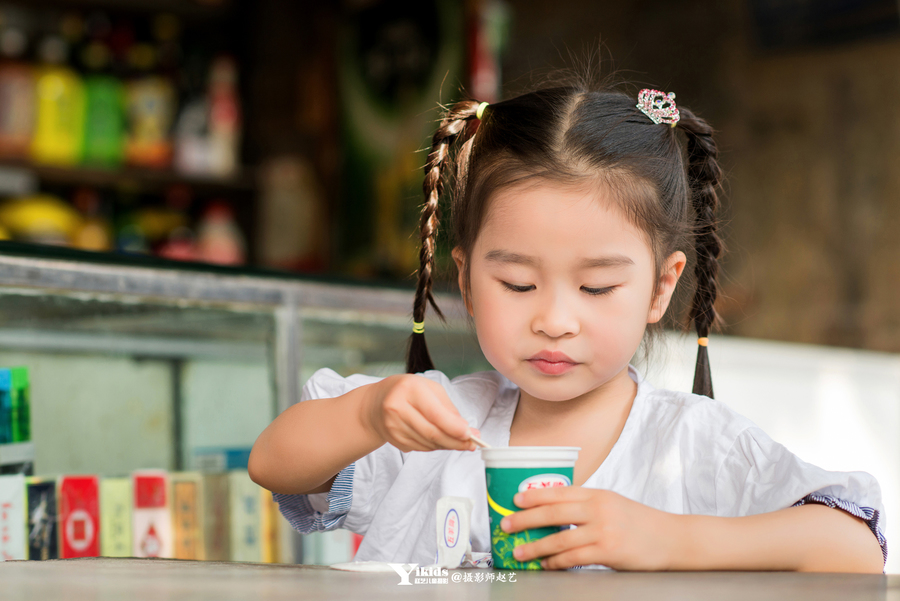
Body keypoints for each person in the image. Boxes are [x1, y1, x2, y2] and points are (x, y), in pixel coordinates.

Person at [248, 74, 886, 572]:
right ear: (466, 280)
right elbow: (274, 463)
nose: (554, 320)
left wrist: (670, 538)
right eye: (518, 284)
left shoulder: (692, 447)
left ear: (661, 287)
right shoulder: (438, 428)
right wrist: (366, 414)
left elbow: (854, 552)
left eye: (598, 287)